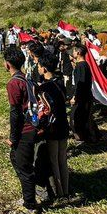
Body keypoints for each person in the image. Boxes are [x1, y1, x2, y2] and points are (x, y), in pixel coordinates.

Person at [3, 46, 38, 214]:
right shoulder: (25, 78)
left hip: (25, 129)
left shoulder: (14, 83)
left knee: (23, 166)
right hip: (33, 124)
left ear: (7, 64)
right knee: (16, 158)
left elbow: (15, 113)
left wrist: (13, 137)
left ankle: (30, 205)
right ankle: (28, 195)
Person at [37, 52, 70, 199]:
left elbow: (43, 111)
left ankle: (59, 192)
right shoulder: (60, 84)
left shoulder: (44, 88)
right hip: (63, 124)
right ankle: (66, 189)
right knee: (62, 159)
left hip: (52, 128)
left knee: (53, 161)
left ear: (44, 69)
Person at [70, 45, 98, 142]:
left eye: (73, 51)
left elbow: (80, 83)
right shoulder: (83, 65)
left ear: (78, 53)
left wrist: (75, 96)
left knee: (77, 117)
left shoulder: (81, 66)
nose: (72, 53)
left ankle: (85, 137)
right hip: (84, 96)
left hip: (82, 97)